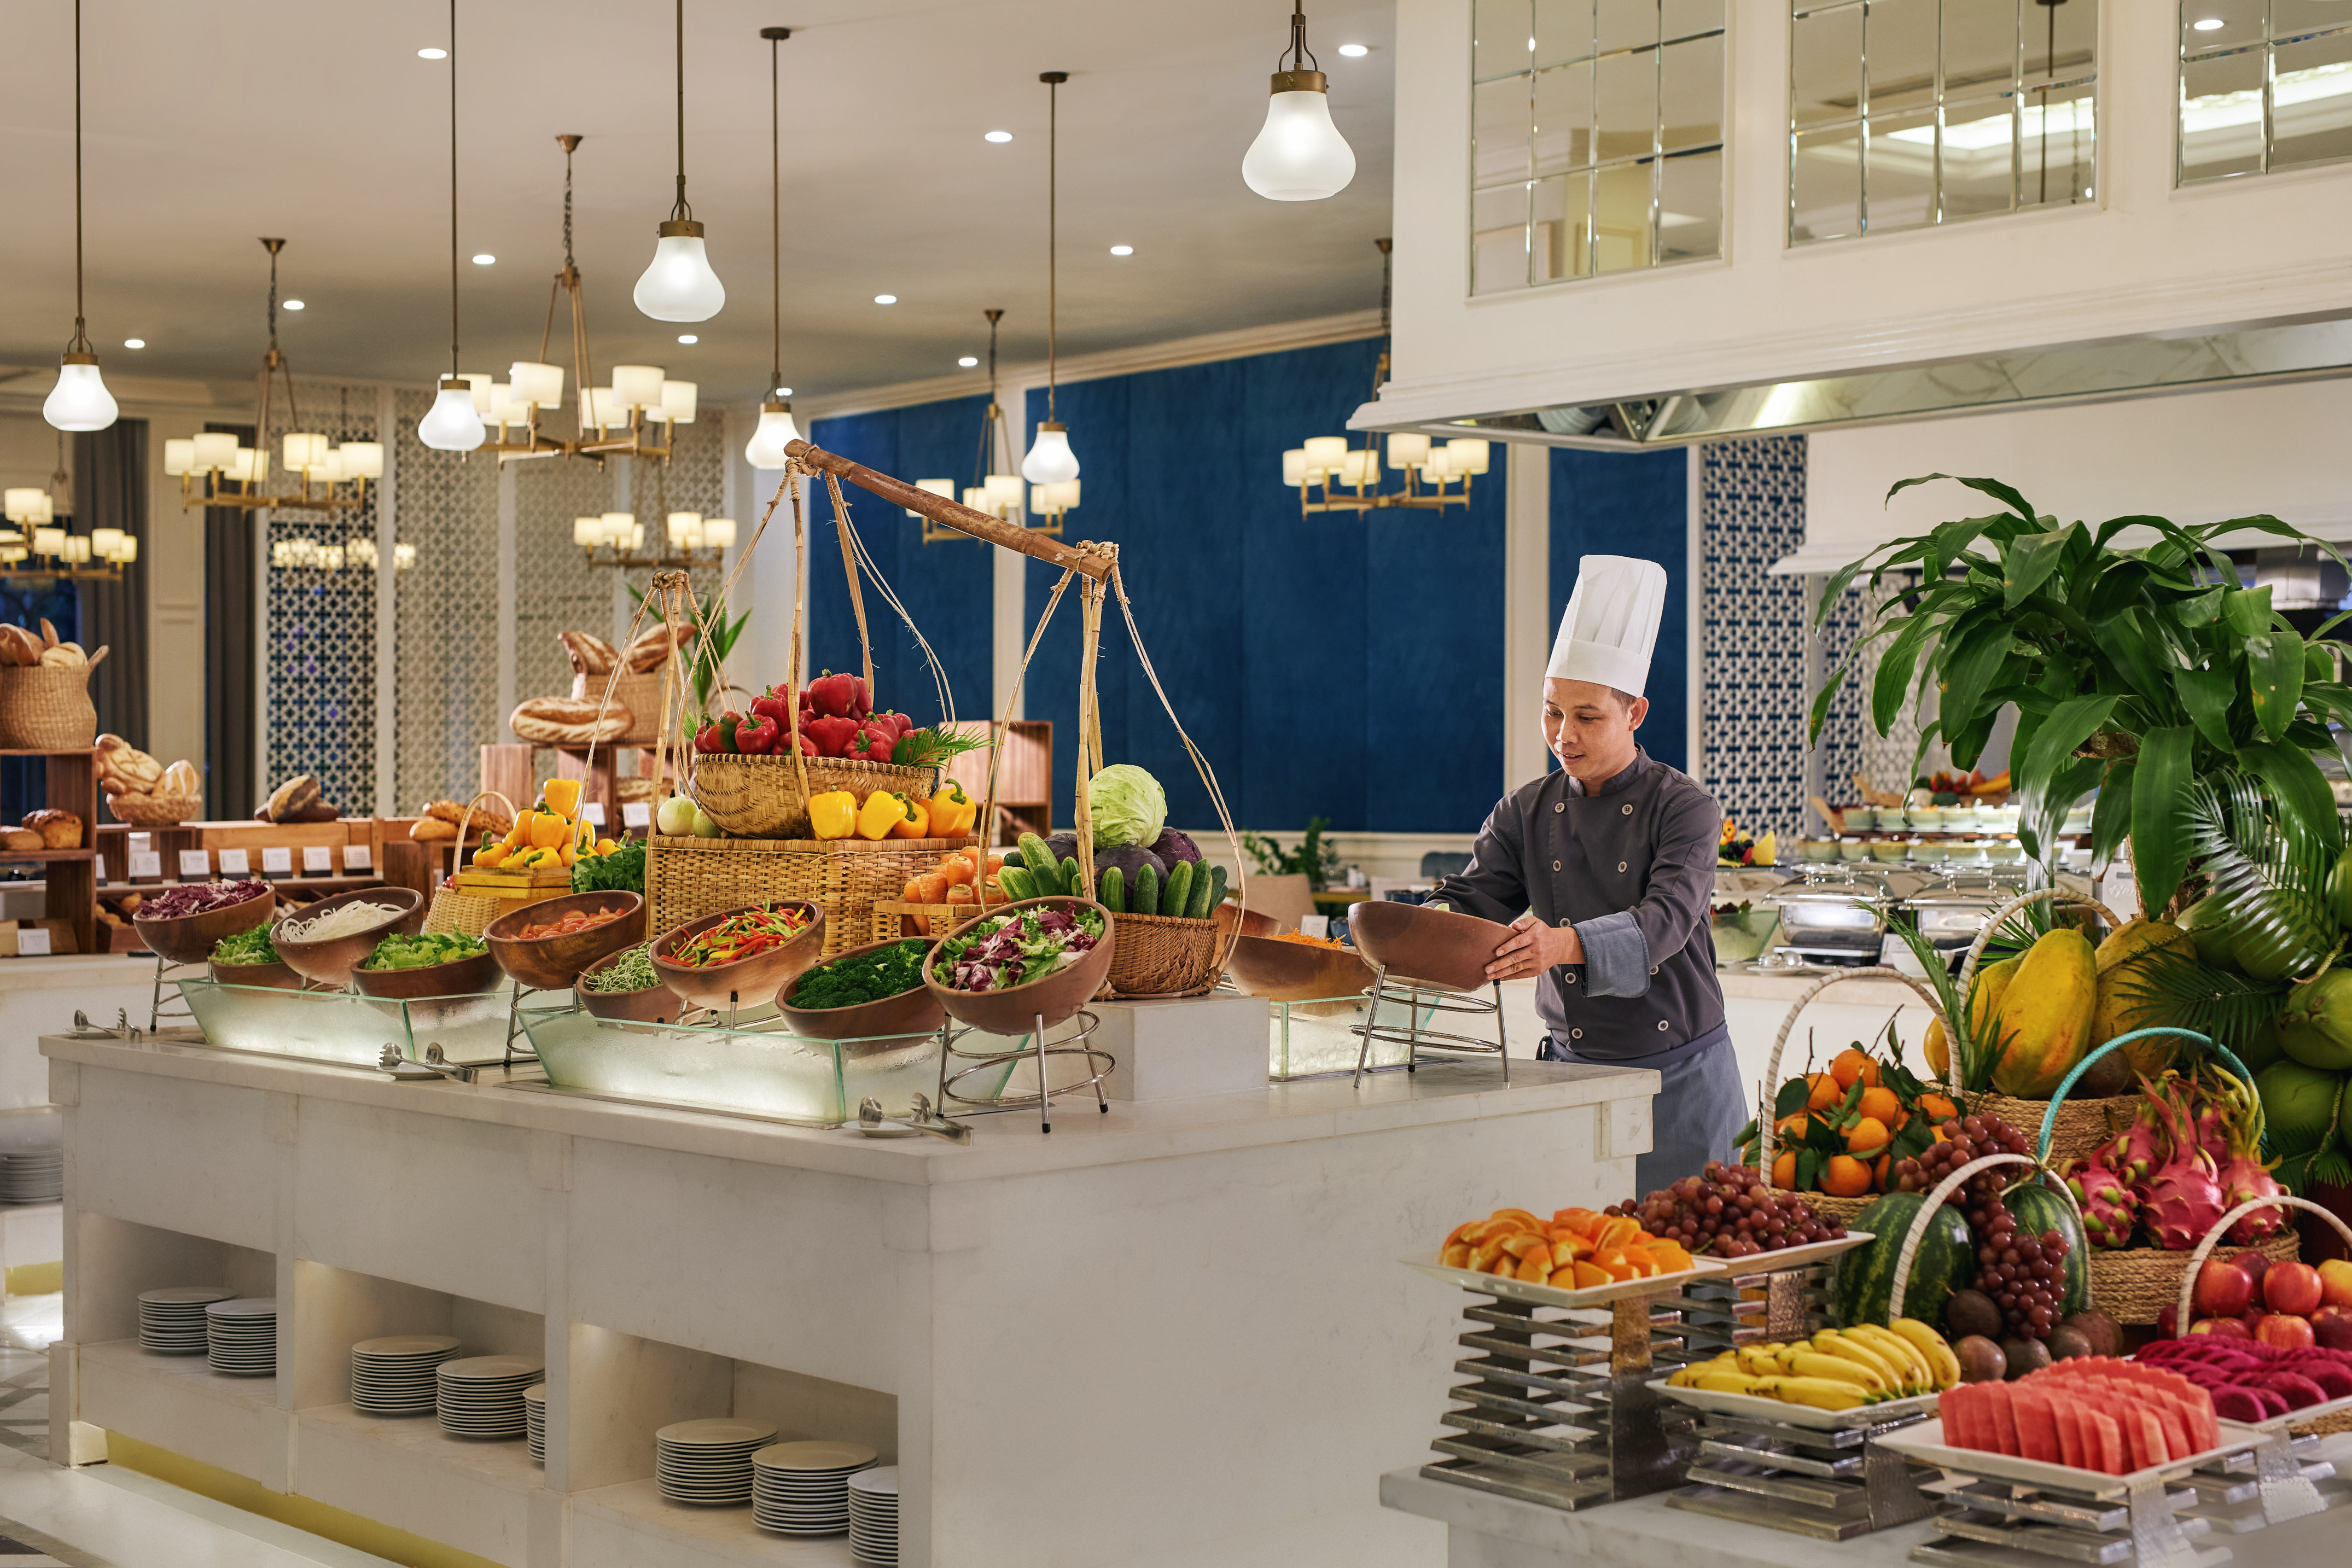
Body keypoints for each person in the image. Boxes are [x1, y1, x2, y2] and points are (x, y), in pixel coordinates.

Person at [1424, 555, 1739, 1194]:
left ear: (1635, 713)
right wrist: (1419, 927)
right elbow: (1472, 899)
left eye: (1586, 716)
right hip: (1566, 1078)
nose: (1562, 735)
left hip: (1678, 1082)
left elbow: (1665, 923)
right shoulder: (1525, 809)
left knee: (1700, 1275)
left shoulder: (1686, 808)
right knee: (1581, 1271)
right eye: (1550, 712)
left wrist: (1557, 946)